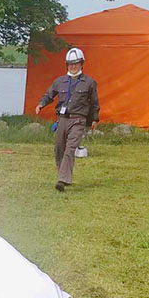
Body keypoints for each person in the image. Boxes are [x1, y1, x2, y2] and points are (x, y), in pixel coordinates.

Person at [35, 47, 99, 192]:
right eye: (70, 64)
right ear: (66, 65)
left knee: (70, 148)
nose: (73, 66)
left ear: (82, 64)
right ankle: (63, 175)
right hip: (62, 120)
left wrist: (95, 118)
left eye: (76, 63)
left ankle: (62, 180)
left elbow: (94, 102)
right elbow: (48, 95)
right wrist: (41, 104)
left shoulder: (89, 82)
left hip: (78, 120)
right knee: (59, 149)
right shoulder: (59, 81)